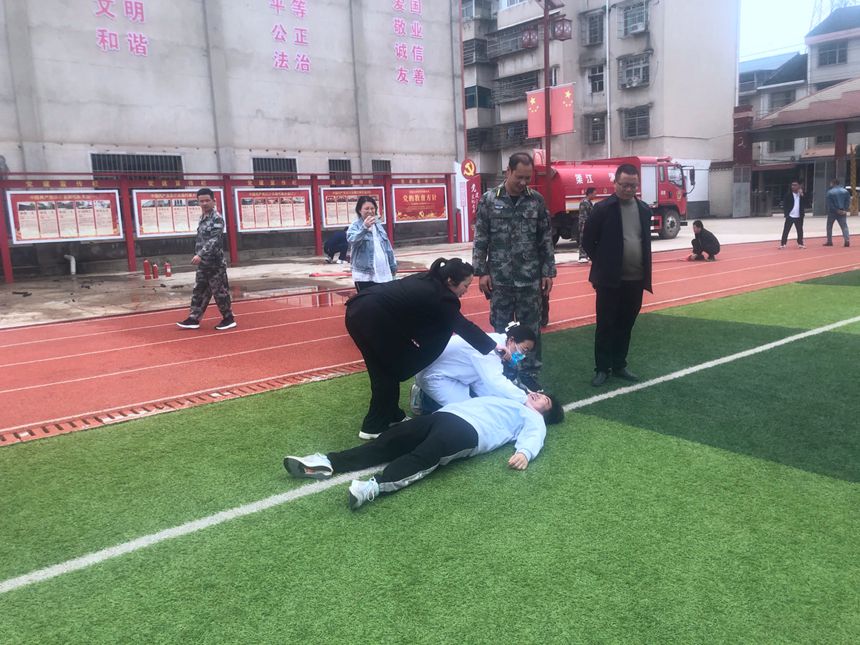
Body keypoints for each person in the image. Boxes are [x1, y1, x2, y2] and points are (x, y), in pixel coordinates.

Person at [283, 392, 565, 510]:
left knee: (423, 458)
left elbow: (535, 436)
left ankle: (374, 487)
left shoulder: (533, 418)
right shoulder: (511, 398)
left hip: (469, 432)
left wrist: (525, 453)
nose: (539, 396)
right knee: (387, 441)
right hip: (444, 416)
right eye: (541, 393)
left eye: (545, 401)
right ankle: (327, 462)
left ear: (545, 413)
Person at [345, 257, 509, 441]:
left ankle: (392, 415)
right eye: (465, 285)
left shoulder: (430, 280)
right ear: (450, 281)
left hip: (360, 312)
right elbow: (463, 326)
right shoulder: (442, 297)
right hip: (370, 318)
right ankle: (373, 426)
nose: (466, 290)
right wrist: (494, 346)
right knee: (385, 373)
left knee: (388, 370)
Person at [472, 152, 556, 392]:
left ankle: (528, 373)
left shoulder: (536, 200)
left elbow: (545, 239)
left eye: (527, 178)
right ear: (507, 171)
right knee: (501, 328)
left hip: (530, 279)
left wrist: (548, 271)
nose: (523, 182)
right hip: (500, 279)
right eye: (519, 176)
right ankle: (503, 372)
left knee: (531, 329)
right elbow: (481, 238)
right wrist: (481, 272)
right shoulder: (489, 200)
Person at [581, 163, 653, 387]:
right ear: (615, 183)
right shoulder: (603, 209)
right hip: (609, 281)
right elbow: (587, 241)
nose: (629, 189)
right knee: (605, 325)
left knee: (626, 324)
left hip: (636, 279)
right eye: (624, 185)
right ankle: (602, 368)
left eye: (633, 185)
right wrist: (603, 263)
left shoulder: (644, 210)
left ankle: (619, 364)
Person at [412, 321, 536, 414]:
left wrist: (508, 402)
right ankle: (423, 399)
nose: (523, 355)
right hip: (435, 376)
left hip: (455, 374)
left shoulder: (498, 345)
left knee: (483, 403)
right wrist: (524, 400)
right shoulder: (492, 349)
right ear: (511, 340)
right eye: (524, 349)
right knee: (467, 412)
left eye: (526, 352)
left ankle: (428, 396)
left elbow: (483, 384)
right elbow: (495, 382)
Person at [176, 188, 236, 331]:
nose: (204, 203)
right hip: (203, 264)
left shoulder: (217, 218)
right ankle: (194, 319)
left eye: (207, 200)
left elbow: (214, 240)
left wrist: (200, 254)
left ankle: (228, 319)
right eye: (201, 201)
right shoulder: (202, 218)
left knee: (220, 293)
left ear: (214, 201)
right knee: (199, 291)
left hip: (215, 264)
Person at [346, 196, 396, 291]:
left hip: (383, 273)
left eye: (372, 208)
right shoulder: (355, 226)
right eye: (366, 208)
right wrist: (364, 228)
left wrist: (392, 266)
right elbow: (352, 240)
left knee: (383, 298)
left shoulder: (378, 225)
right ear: (359, 210)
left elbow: (387, 247)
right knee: (367, 299)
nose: (370, 211)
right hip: (364, 275)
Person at [824, 178, 851, 247]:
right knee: (844, 226)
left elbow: (830, 204)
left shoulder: (830, 192)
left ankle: (829, 241)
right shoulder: (845, 191)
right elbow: (848, 201)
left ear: (833, 183)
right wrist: (845, 209)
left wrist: (836, 210)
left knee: (829, 226)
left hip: (832, 212)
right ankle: (847, 240)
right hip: (842, 210)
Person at [779, 181, 806, 249]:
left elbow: (807, 203)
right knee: (786, 230)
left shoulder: (801, 195)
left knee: (800, 230)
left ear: (799, 186)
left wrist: (802, 195)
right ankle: (783, 243)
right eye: (792, 185)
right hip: (790, 215)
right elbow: (785, 205)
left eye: (795, 185)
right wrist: (786, 214)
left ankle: (800, 243)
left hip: (799, 216)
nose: (793, 187)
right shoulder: (788, 195)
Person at [578, 187, 596, 264]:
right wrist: (586, 225)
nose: (595, 196)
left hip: (588, 224)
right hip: (584, 224)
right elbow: (584, 216)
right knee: (583, 239)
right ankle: (582, 256)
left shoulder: (589, 202)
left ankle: (586, 255)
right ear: (590, 194)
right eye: (594, 194)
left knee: (587, 240)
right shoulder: (584, 202)